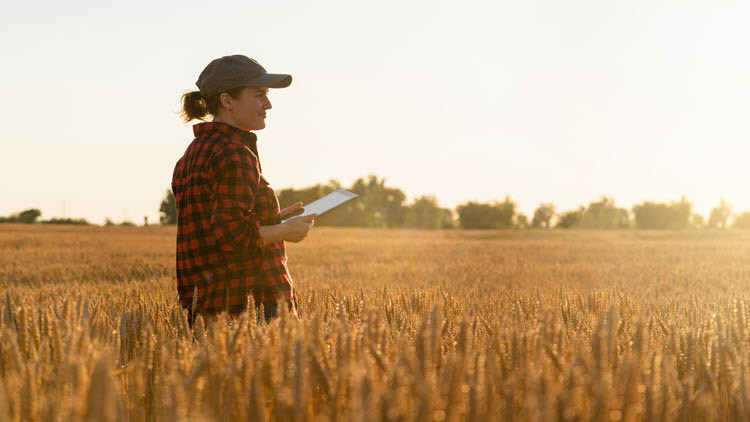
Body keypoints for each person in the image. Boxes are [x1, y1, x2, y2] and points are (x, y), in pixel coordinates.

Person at [173, 55, 316, 325]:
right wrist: (285, 231)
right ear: (227, 101)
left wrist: (271, 218)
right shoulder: (235, 153)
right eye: (259, 94)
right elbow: (232, 235)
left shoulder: (191, 154)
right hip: (250, 304)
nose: (268, 104)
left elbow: (211, 227)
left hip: (206, 304)